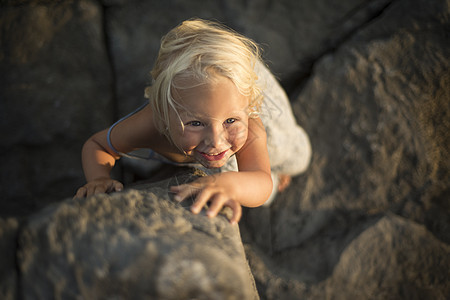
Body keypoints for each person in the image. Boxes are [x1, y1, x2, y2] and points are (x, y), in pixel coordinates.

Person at [74, 18, 311, 224]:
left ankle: (281, 166)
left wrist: (230, 184)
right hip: (220, 103)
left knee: (295, 158)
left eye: (229, 121)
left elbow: (260, 182)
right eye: (195, 123)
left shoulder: (248, 122)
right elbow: (98, 145)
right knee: (256, 193)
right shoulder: (151, 122)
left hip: (253, 101)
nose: (216, 141)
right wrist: (99, 179)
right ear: (165, 116)